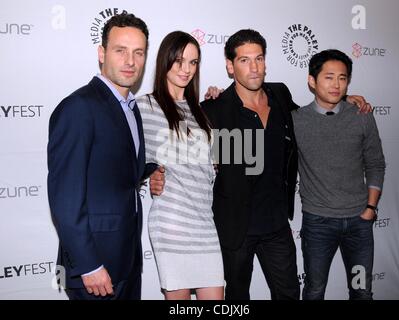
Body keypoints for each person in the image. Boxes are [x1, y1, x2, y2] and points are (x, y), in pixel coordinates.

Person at [149, 29, 371, 300]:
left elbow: (309, 115)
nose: (254, 68)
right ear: (230, 66)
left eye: (259, 59)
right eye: (244, 60)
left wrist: (342, 99)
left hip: (277, 226)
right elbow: (184, 157)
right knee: (237, 299)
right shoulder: (213, 110)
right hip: (233, 229)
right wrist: (155, 173)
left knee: (289, 294)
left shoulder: (280, 95)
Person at [47, 13, 152, 300]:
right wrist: (89, 264)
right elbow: (65, 198)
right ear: (102, 53)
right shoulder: (79, 108)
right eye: (121, 50)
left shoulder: (131, 108)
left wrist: (152, 169)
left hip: (127, 261)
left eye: (138, 52)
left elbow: (117, 171)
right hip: (95, 268)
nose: (130, 61)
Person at [292, 49, 385, 300]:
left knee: (361, 290)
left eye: (342, 78)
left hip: (359, 223)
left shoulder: (361, 116)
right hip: (318, 224)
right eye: (329, 77)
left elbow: (375, 163)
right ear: (312, 81)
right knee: (314, 289)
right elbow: (255, 92)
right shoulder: (296, 121)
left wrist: (370, 208)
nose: (336, 84)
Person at [137, 31, 224, 300]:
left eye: (193, 62)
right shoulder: (143, 107)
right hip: (172, 223)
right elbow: (125, 159)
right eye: (179, 61)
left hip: (205, 223)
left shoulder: (201, 111)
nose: (186, 69)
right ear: (165, 60)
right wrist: (149, 172)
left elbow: (212, 165)